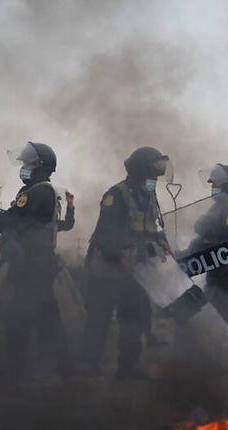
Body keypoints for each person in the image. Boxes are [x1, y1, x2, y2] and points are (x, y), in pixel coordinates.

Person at [83, 146, 171, 379]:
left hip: (133, 268)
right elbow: (105, 233)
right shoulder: (117, 194)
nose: (155, 180)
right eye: (153, 175)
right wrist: (118, 256)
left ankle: (127, 369)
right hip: (107, 268)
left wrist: (162, 242)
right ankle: (88, 369)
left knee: (134, 315)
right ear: (142, 171)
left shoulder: (150, 195)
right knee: (99, 320)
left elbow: (154, 226)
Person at [0, 141, 75, 378]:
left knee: (19, 317)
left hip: (31, 266)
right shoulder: (43, 192)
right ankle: (64, 368)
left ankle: (14, 371)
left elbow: (11, 223)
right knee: (48, 318)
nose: (23, 167)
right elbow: (20, 221)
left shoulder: (37, 192)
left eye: (27, 163)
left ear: (39, 166)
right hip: (39, 265)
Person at [188, 164, 228, 323]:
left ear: (227, 186)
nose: (212, 187)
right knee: (212, 311)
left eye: (215, 184)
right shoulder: (217, 208)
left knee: (222, 314)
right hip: (216, 266)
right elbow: (200, 227)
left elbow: (210, 228)